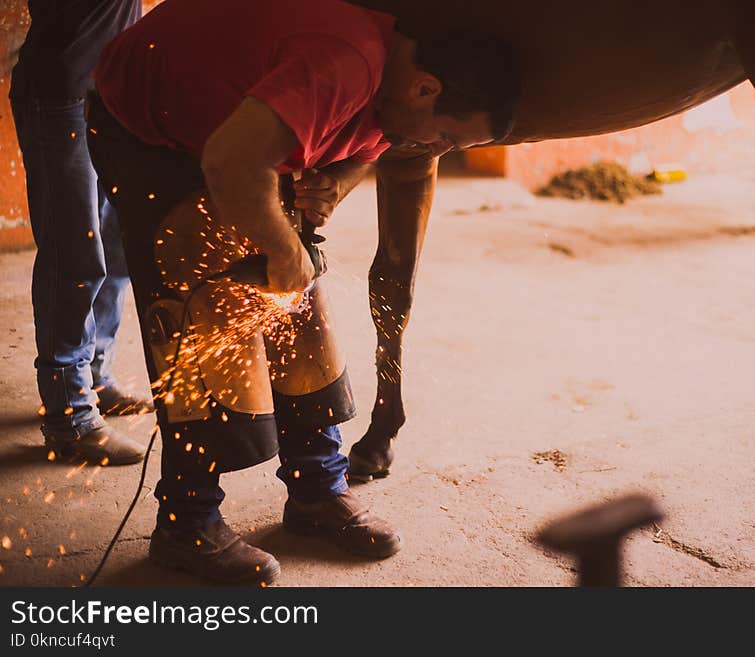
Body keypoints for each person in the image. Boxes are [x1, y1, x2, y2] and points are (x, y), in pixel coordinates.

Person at [86, 0, 520, 586]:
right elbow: (231, 158)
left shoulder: (393, 94)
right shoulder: (343, 65)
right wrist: (283, 247)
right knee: (207, 308)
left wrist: (327, 184)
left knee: (300, 304)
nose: (437, 151)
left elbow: (360, 150)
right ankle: (186, 523)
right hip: (151, 133)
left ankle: (317, 489)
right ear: (424, 88)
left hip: (235, 124)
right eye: (445, 136)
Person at [9, 0, 152, 467]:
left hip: (106, 93)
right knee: (73, 255)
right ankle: (69, 413)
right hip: (60, 94)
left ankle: (93, 372)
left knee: (115, 247)